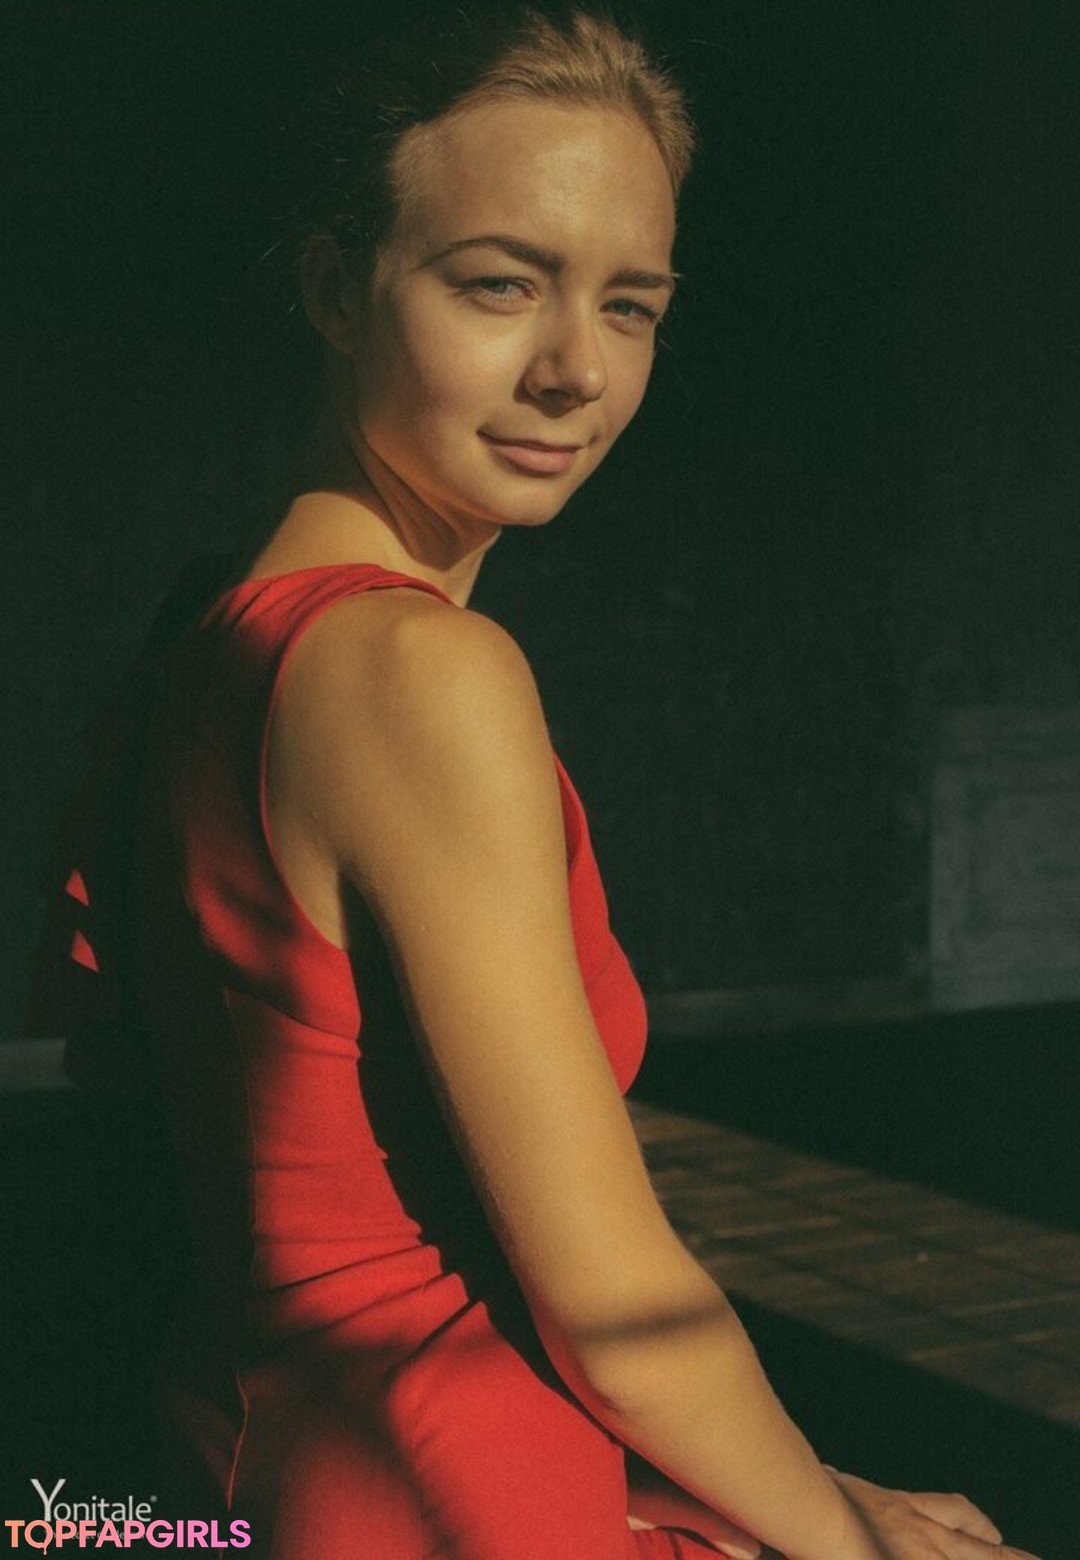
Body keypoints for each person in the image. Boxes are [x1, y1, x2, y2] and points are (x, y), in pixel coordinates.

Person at [42, 5, 1040, 1557]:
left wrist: (828, 1499)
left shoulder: (212, 630)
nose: (577, 369)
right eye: (500, 283)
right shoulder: (418, 675)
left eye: (630, 305)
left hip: (266, 1468)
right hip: (459, 1493)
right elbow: (613, 1309)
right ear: (335, 287)